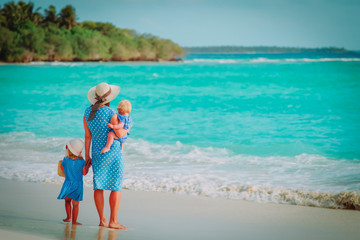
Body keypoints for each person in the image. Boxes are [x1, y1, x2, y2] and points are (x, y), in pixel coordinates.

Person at [83, 82, 129, 229]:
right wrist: (129, 127)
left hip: (97, 152)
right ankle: (113, 221)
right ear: (108, 98)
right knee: (115, 187)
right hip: (113, 153)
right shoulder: (111, 113)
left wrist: (87, 156)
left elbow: (87, 137)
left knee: (99, 186)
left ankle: (102, 220)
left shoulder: (86, 113)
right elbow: (120, 133)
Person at [57, 138, 91, 225]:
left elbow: (63, 170)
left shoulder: (65, 160)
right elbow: (84, 173)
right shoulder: (82, 161)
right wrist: (88, 166)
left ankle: (68, 217)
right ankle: (74, 221)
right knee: (75, 205)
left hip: (68, 183)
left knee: (67, 201)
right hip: (78, 185)